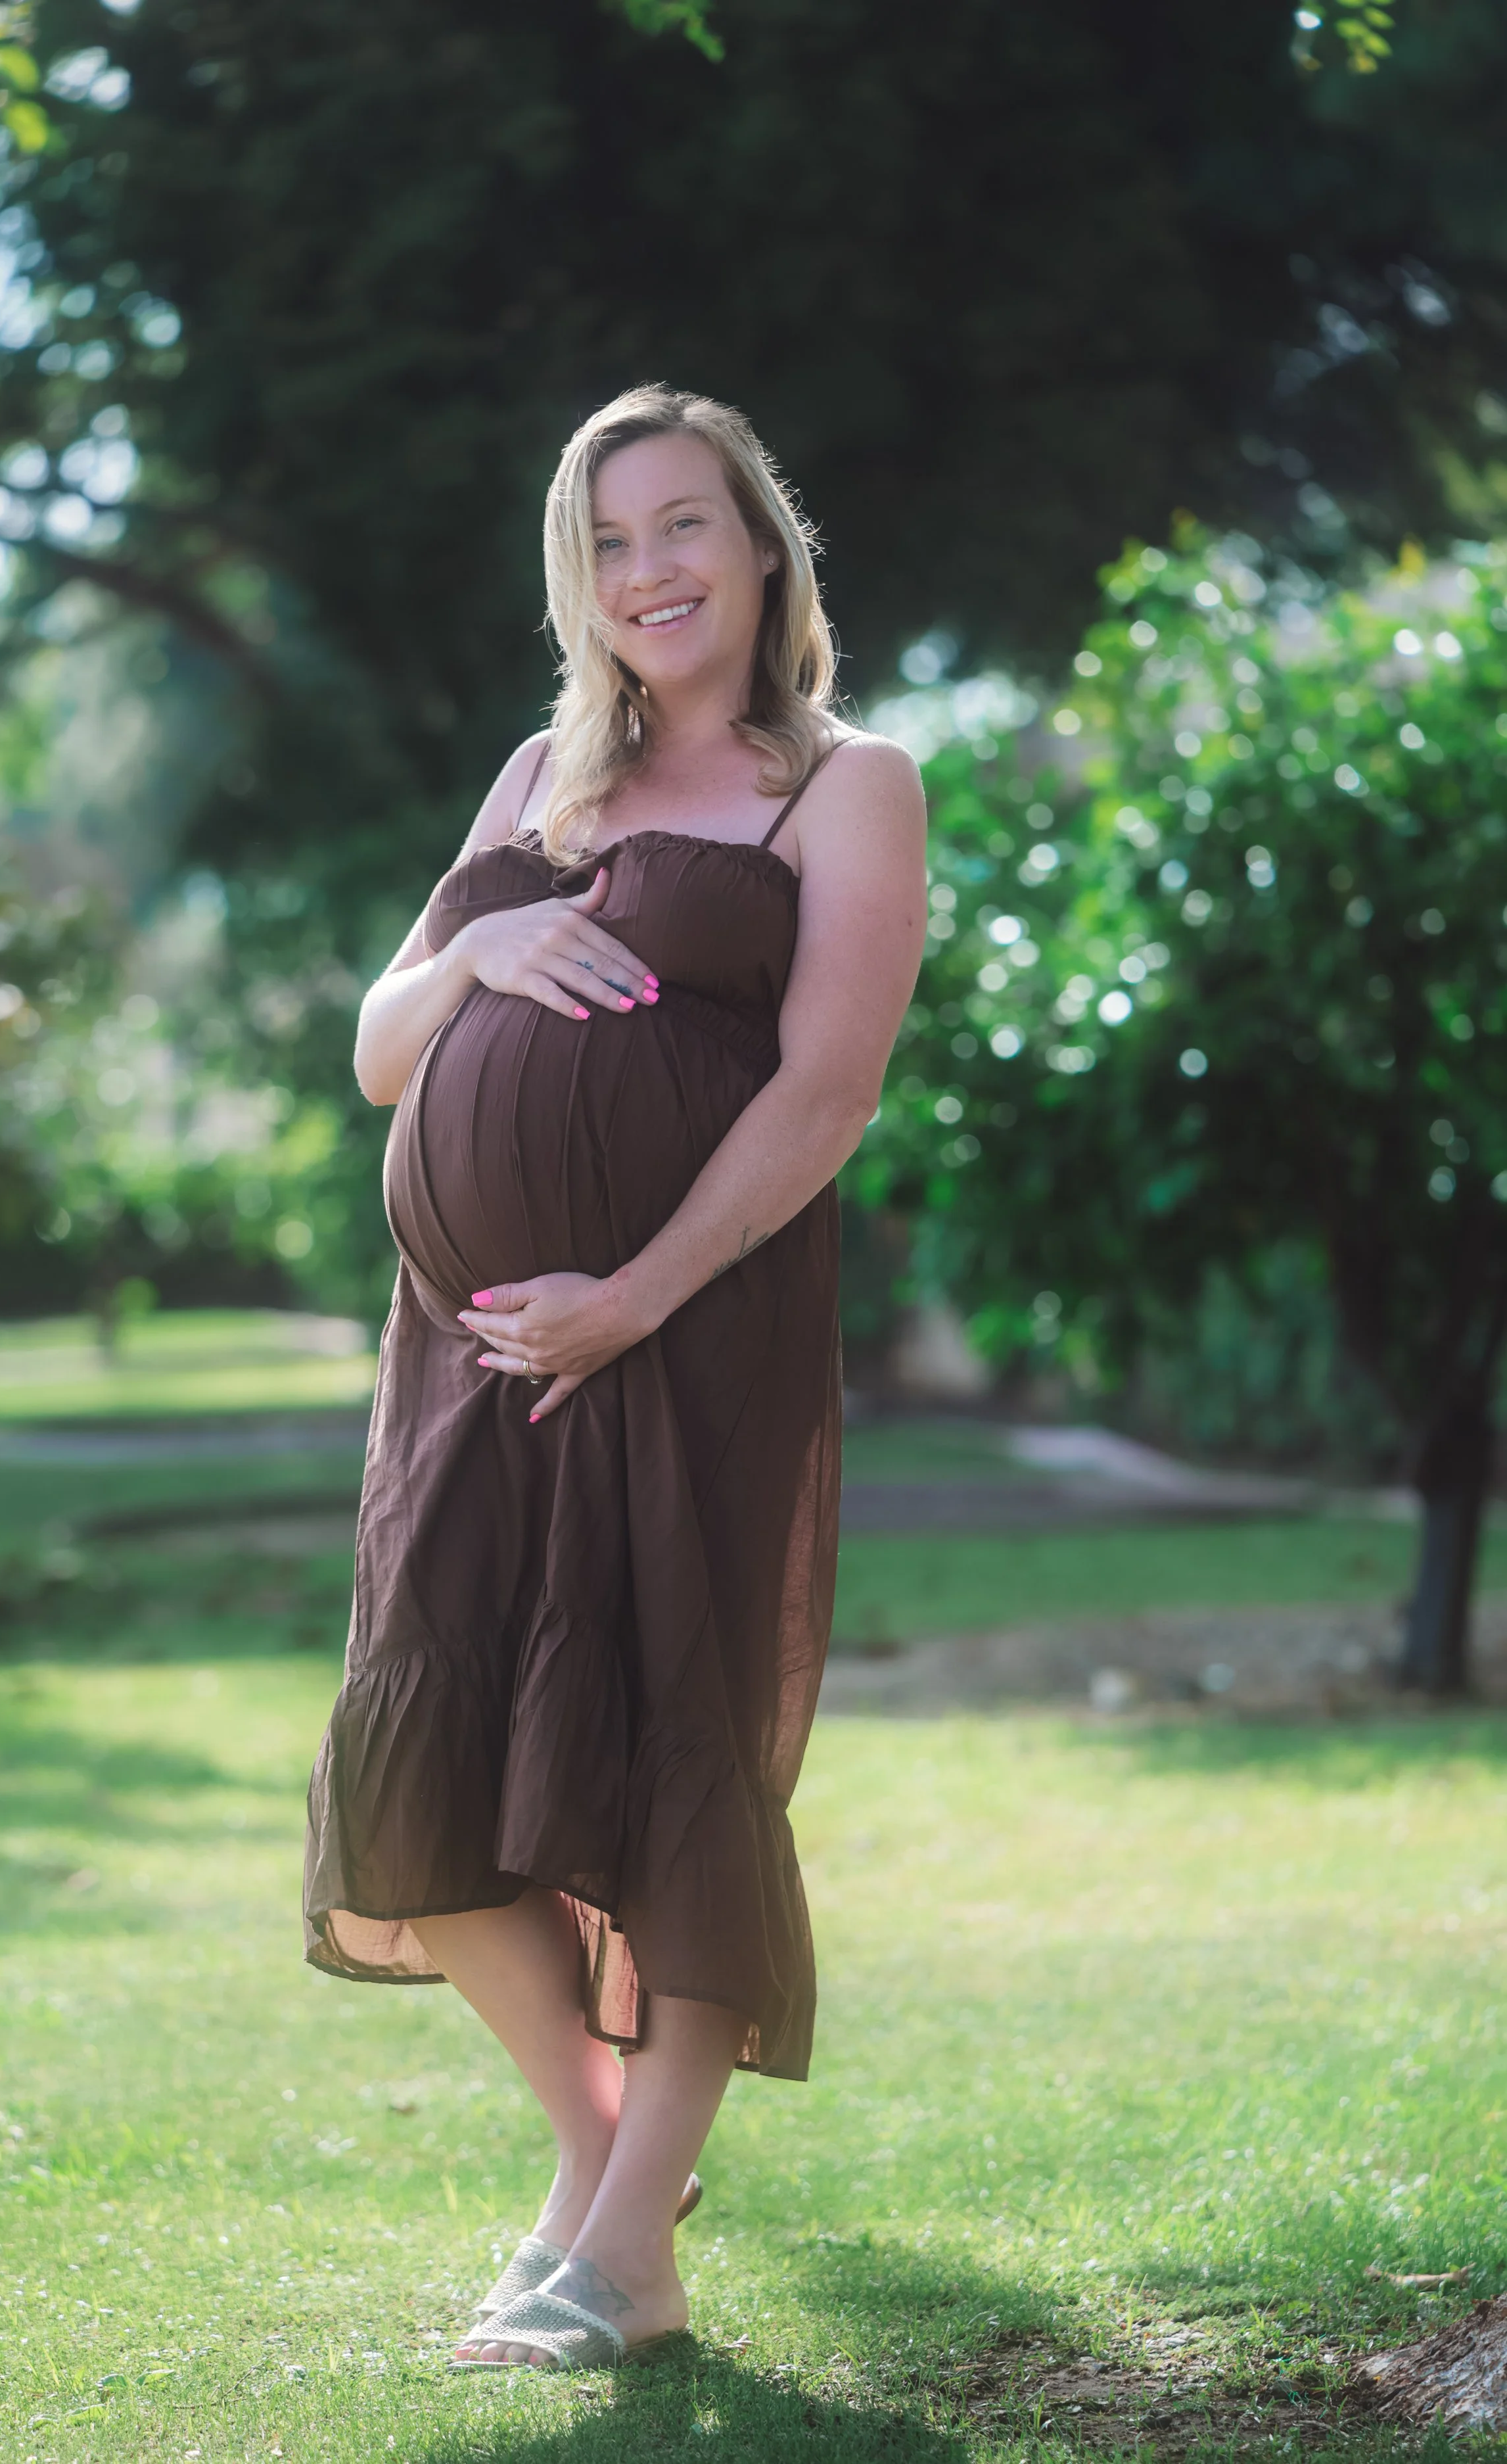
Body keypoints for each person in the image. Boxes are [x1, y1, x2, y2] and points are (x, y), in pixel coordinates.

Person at [303, 384, 926, 2369]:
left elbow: (825, 1093)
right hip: (470, 1360)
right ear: (577, 584)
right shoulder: (537, 777)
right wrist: (481, 959)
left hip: (682, 1339)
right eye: (607, 541)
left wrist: (635, 1292)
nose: (648, 571)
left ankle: (622, 2258)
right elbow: (380, 1048)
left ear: (760, 548)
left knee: (671, 1743)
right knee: (422, 1767)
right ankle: (609, 2176)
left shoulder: (842, 783)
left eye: (683, 527)